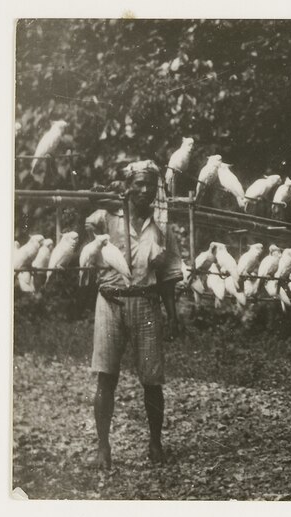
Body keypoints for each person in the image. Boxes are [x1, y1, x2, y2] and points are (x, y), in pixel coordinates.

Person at [85, 160, 182, 469]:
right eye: (138, 184)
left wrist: (173, 315)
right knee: (106, 376)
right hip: (110, 301)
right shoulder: (107, 217)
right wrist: (99, 195)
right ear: (127, 186)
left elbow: (167, 274)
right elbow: (79, 221)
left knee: (152, 380)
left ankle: (155, 443)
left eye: (150, 185)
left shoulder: (162, 224)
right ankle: (103, 447)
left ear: (156, 189)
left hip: (146, 302)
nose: (144, 190)